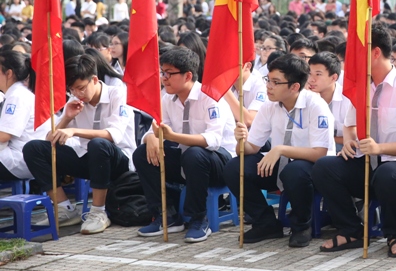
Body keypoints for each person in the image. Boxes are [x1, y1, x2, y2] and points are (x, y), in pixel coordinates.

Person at [312, 24, 396, 258]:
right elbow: (349, 125)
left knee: (389, 173)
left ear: (375, 53)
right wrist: (347, 141)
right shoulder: (361, 86)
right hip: (370, 164)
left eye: (358, 53)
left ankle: (395, 234)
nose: (352, 60)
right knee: (324, 167)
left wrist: (380, 148)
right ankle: (352, 230)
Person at [223, 54, 334, 246]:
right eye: (268, 80)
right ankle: (265, 222)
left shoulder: (316, 105)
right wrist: (241, 141)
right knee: (235, 166)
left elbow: (319, 153)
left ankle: (301, 225)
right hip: (281, 165)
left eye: (276, 82)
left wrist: (281, 149)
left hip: (313, 170)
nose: (268, 86)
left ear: (294, 87)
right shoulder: (269, 106)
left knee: (295, 170)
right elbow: (252, 147)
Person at [133, 47, 237, 243]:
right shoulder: (168, 98)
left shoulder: (210, 96)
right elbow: (156, 129)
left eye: (169, 74)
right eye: (162, 72)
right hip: (188, 159)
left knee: (195, 154)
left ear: (188, 75)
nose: (164, 78)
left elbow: (213, 141)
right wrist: (151, 138)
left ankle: (199, 218)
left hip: (220, 162)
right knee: (141, 154)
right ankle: (166, 215)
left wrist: (174, 136)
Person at [23, 55, 136, 234]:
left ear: (94, 80)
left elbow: (113, 135)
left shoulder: (118, 93)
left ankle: (98, 212)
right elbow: (51, 139)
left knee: (98, 144)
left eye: (81, 88)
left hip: (119, 161)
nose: (77, 93)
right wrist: (66, 118)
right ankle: (64, 209)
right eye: (72, 90)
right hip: (90, 159)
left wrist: (74, 131)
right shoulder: (74, 101)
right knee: (34, 149)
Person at [0, 50, 44, 184]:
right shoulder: (15, 93)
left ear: (9, 73)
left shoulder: (17, 96)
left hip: (19, 160)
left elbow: (4, 135)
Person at [307, 52, 353, 147]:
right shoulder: (305, 97)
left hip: (341, 148)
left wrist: (323, 140)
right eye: (309, 74)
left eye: (318, 74)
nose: (311, 79)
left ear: (333, 77)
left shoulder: (348, 99)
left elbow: (354, 139)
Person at [222, 59, 268, 127]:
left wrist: (224, 90)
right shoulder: (227, 84)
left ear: (247, 66)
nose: (227, 68)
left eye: (232, 65)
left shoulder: (260, 86)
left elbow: (249, 121)